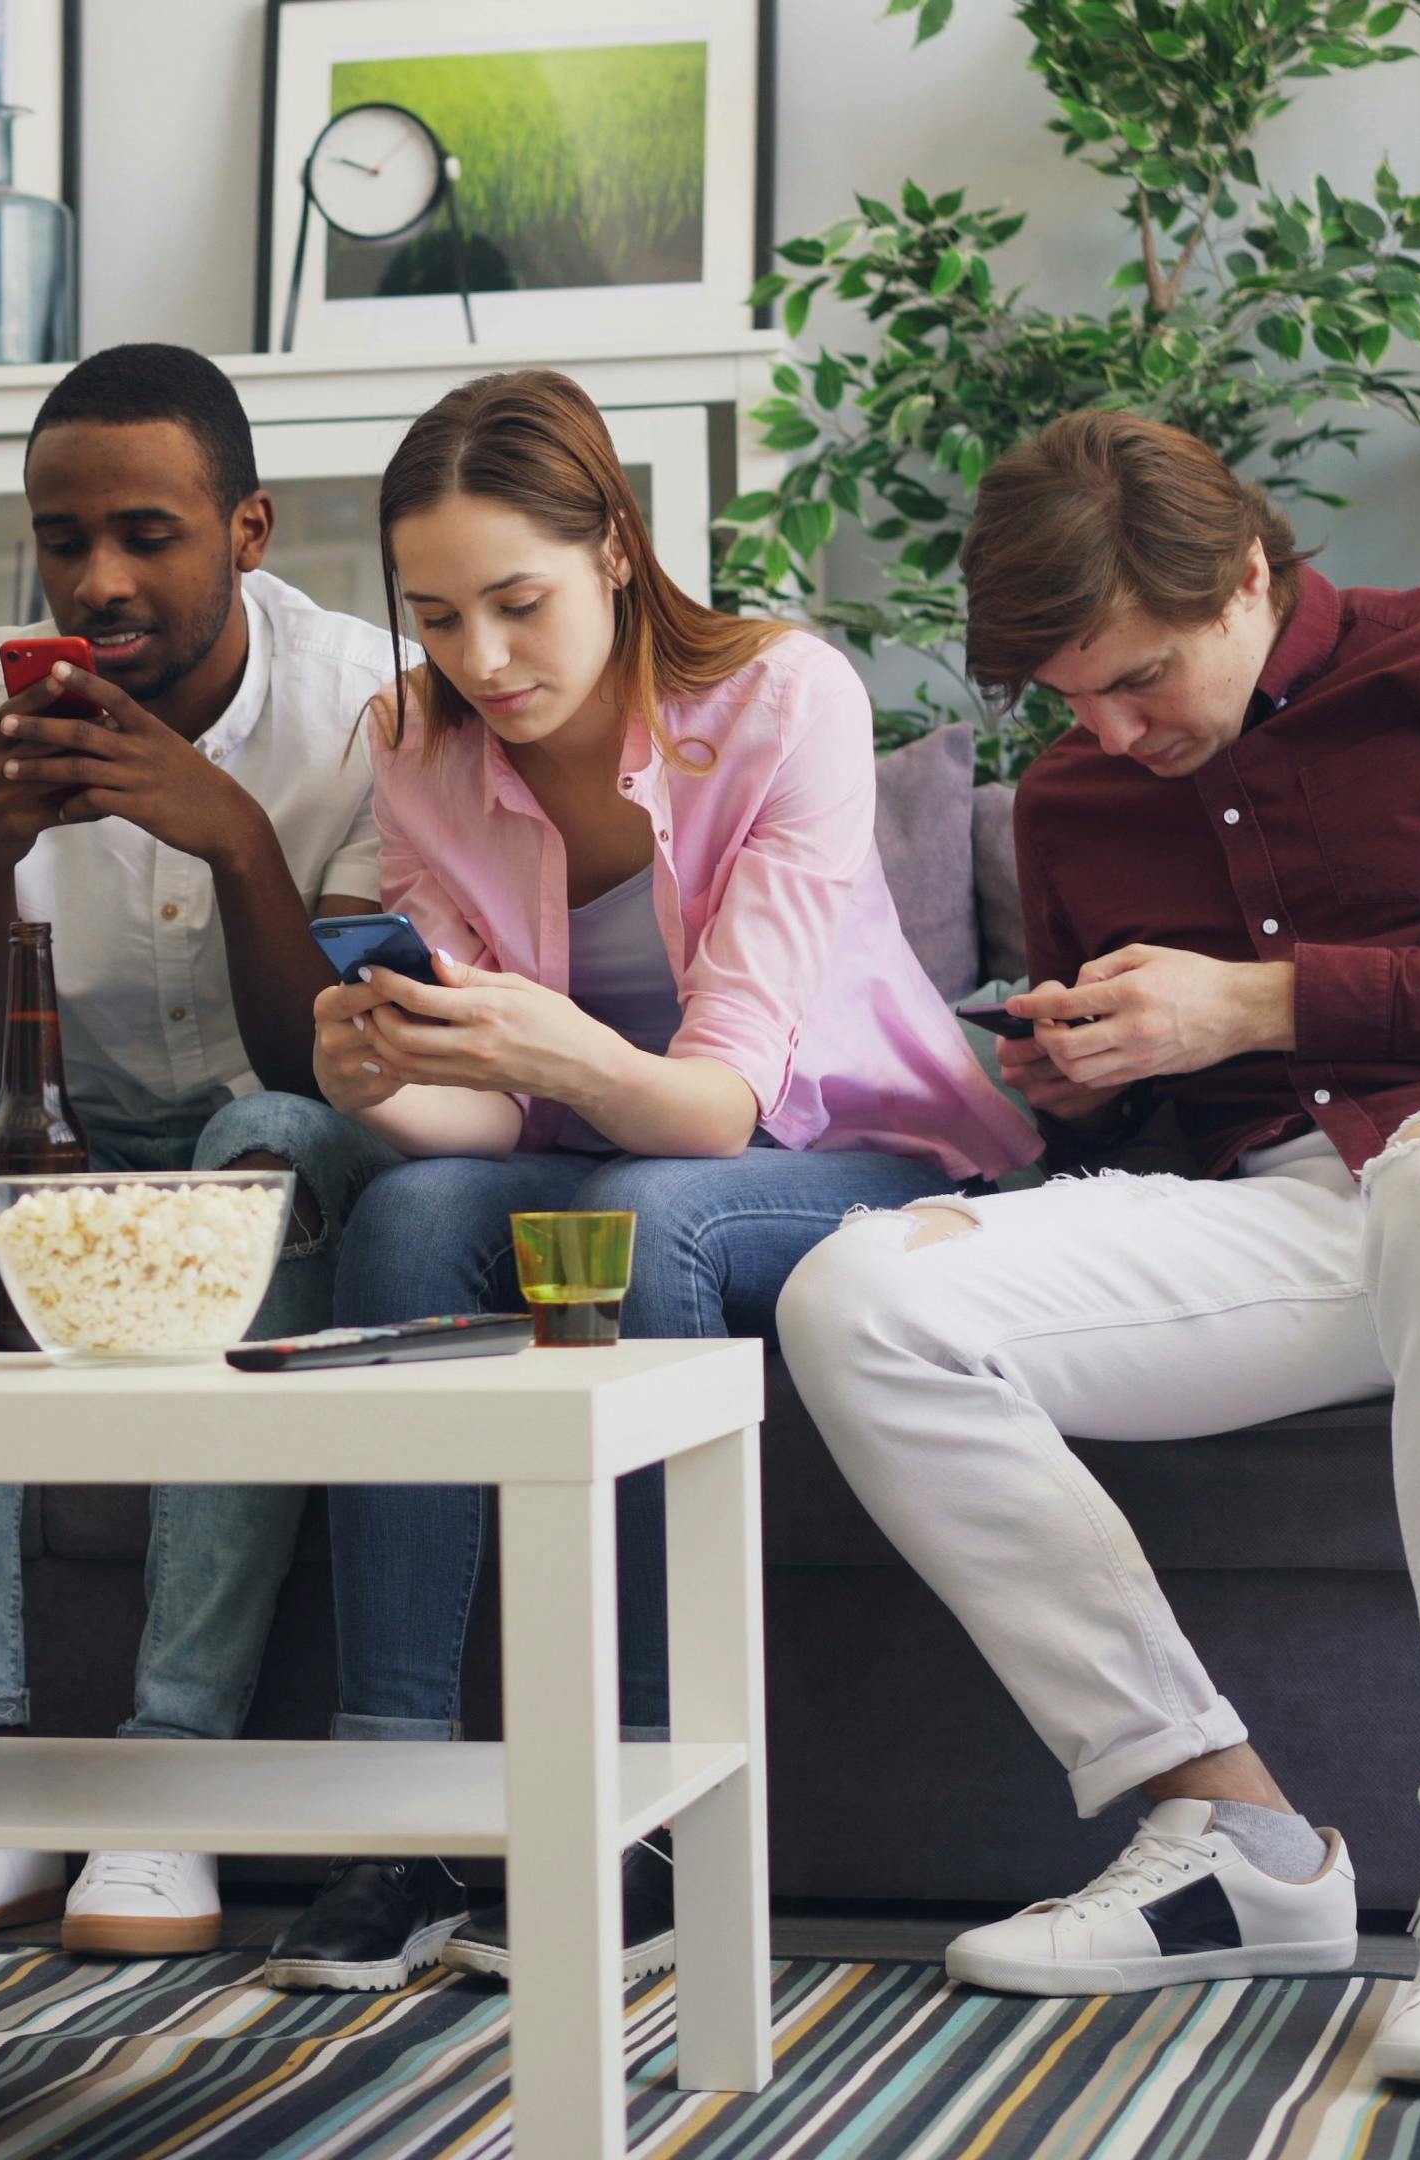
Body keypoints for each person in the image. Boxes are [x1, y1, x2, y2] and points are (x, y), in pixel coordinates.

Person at [773, 412, 1420, 2094]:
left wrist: (1261, 997)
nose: (1107, 730)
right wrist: (1074, 1089)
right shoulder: (1083, 799)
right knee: (859, 1295)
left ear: (1247, 572)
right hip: (1313, 1205)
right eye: (1071, 699)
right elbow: (1171, 1121)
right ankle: (1229, 1836)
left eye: (1140, 677)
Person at [262, 369, 1038, 1995]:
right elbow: (491, 1126)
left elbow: (715, 1105)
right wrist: (388, 1084)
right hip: (589, 1145)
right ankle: (398, 1815)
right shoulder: (412, 745)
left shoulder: (782, 700)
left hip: (840, 1151)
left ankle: (638, 1821)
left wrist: (533, 1046)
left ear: (616, 548)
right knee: (405, 1210)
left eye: (519, 604)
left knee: (640, 1219)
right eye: (437, 614)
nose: (482, 660)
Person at [0, 345, 404, 1959]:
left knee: (269, 1138)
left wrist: (224, 832)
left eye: (147, 535)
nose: (96, 581)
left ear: (248, 532)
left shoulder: (362, 705)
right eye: (61, 536)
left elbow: (335, 1061)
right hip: (54, 1137)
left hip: (275, 1111)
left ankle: (169, 1780)